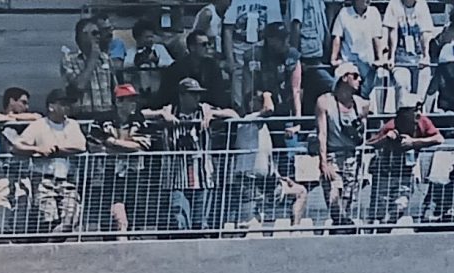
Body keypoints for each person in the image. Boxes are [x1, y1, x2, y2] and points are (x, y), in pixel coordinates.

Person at [145, 76, 233, 232]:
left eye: (198, 94)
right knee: (179, 219)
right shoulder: (170, 110)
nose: (197, 97)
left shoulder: (204, 109)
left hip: (203, 177)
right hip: (176, 178)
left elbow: (234, 114)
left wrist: (213, 114)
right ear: (182, 95)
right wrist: (161, 114)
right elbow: (141, 114)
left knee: (200, 224)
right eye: (192, 94)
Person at [6, 89, 85, 234]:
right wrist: (38, 149)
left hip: (68, 180)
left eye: (68, 104)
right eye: (63, 104)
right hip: (44, 180)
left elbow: (81, 146)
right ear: (51, 106)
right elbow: (16, 146)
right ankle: (47, 244)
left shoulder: (73, 125)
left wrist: (57, 149)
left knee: (70, 219)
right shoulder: (39, 125)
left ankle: (54, 242)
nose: (67, 107)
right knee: (47, 220)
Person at [226, 89, 302, 231]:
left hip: (266, 180)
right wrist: (267, 94)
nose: (262, 102)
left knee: (300, 192)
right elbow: (269, 109)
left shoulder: (263, 126)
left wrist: (278, 176)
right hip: (248, 180)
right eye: (258, 100)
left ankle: (295, 231)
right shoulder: (249, 119)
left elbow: (266, 155)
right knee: (250, 224)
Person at [89, 83, 152, 234]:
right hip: (107, 173)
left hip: (133, 173)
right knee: (109, 211)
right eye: (129, 100)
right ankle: (111, 239)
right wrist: (128, 142)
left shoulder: (139, 119)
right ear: (118, 102)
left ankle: (133, 237)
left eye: (134, 100)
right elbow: (94, 146)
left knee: (135, 208)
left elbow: (142, 145)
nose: (133, 104)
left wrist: (113, 142)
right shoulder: (102, 120)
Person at [364, 102, 439, 226]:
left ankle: (387, 224)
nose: (418, 113)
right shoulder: (391, 124)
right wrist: (386, 138)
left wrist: (414, 142)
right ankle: (377, 228)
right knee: (379, 210)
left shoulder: (423, 121)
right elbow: (370, 143)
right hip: (385, 173)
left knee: (401, 205)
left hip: (406, 174)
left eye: (419, 109)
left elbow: (439, 138)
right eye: (414, 110)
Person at [0, 86, 37, 234]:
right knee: (0, 201)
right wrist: (11, 118)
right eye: (23, 102)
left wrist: (15, 118)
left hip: (22, 170)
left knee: (23, 202)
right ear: (12, 101)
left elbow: (37, 117)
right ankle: (1, 234)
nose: (26, 107)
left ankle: (19, 235)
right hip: (0, 170)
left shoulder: (29, 121)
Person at [314, 67, 366, 229]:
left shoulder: (360, 103)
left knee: (348, 198)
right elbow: (322, 134)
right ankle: (340, 224)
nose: (359, 80)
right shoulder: (325, 101)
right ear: (344, 77)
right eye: (355, 76)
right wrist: (323, 162)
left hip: (352, 156)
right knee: (333, 196)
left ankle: (342, 228)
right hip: (333, 155)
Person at [381, 0, 435, 107]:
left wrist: (426, 56)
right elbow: (391, 31)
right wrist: (390, 57)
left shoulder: (422, 5)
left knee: (422, 88)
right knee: (403, 84)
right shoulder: (394, 4)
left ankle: (419, 114)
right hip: (400, 61)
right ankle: (402, 114)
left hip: (419, 60)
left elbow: (426, 32)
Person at [330, 0, 388, 99]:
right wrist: (333, 58)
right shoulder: (344, 13)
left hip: (368, 64)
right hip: (349, 63)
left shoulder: (374, 12)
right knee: (341, 85)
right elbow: (337, 36)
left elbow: (377, 37)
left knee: (372, 88)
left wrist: (380, 59)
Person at [60, 18, 116, 119]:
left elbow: (114, 89)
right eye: (94, 33)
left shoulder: (105, 59)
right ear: (82, 36)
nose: (98, 36)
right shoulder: (69, 60)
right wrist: (93, 58)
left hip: (106, 113)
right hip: (83, 115)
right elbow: (79, 86)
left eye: (99, 33)